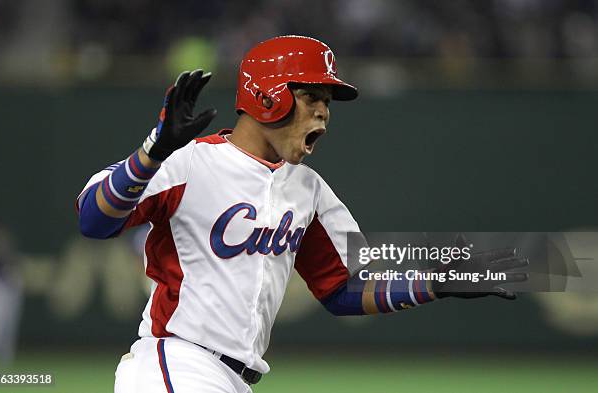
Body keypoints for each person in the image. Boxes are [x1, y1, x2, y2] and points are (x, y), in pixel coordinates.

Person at [76, 35, 528, 393]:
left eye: (328, 102)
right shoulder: (190, 162)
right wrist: (154, 150)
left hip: (234, 379)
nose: (323, 113)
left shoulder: (308, 190)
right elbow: (93, 220)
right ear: (267, 97)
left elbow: (342, 291)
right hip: (177, 363)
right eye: (312, 95)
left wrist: (438, 282)